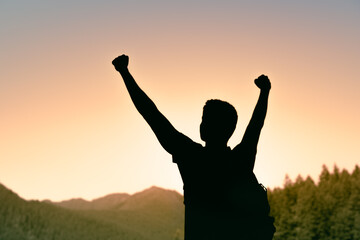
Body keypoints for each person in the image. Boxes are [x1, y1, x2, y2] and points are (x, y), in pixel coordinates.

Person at [112, 54, 275, 240]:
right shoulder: (241, 159)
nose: (202, 124)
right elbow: (256, 124)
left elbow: (151, 114)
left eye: (205, 120)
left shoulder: (191, 157)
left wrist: (124, 72)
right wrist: (265, 92)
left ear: (208, 127)